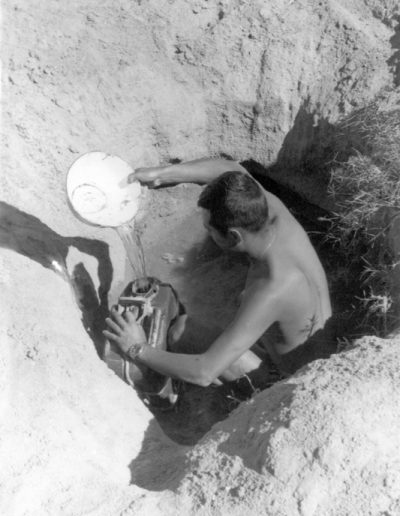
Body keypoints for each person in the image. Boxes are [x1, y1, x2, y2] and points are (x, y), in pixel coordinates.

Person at [103, 158, 335, 387]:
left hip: (296, 384)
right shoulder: (271, 210)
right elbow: (231, 169)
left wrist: (136, 347)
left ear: (234, 236)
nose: (207, 233)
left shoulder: (271, 289)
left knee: (182, 333)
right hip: (325, 352)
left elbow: (203, 372)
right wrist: (161, 174)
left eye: (209, 229)